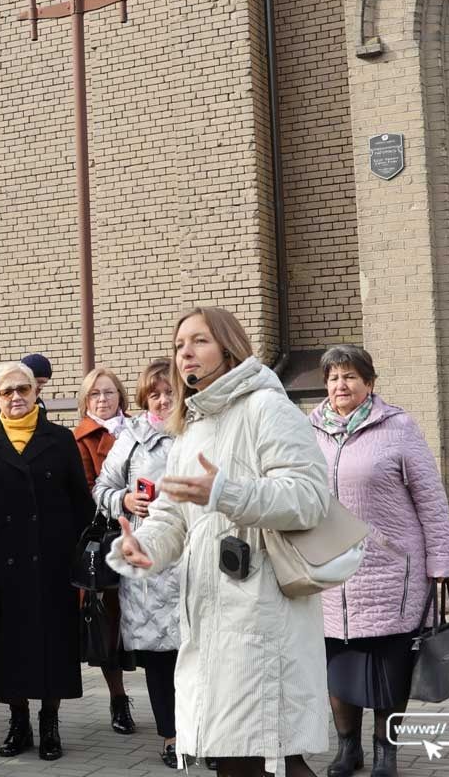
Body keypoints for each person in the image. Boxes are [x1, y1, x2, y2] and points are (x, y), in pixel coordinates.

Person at [109, 307, 331, 777]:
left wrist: (227, 492)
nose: (184, 352)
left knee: (263, 755)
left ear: (229, 347)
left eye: (198, 341)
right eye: (178, 345)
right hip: (207, 614)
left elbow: (310, 497)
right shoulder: (191, 426)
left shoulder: (267, 407)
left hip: (262, 610)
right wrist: (144, 547)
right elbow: (173, 515)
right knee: (242, 755)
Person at [311, 345, 449, 777]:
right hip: (330, 570)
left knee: (391, 665)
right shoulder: (309, 430)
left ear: (369, 384)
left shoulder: (398, 427)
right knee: (337, 661)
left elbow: (430, 499)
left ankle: (385, 754)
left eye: (351, 377)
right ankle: (347, 750)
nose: (341, 385)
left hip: (391, 569)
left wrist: (441, 562)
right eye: (334, 377)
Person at [0, 361, 93, 761]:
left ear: (36, 391)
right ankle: (17, 722)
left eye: (22, 389)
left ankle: (50, 724)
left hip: (52, 562)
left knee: (54, 646)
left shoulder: (59, 440)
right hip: (4, 566)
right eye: (6, 392)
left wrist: (76, 552)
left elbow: (80, 503)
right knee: (10, 648)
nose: (16, 397)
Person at [92, 359, 183, 767]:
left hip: (195, 558)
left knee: (199, 656)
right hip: (150, 566)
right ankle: (171, 736)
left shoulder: (199, 430)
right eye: (155, 395)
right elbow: (102, 487)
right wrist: (124, 501)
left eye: (170, 393)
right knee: (161, 658)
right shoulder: (131, 437)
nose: (163, 401)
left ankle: (205, 733)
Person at [72, 366, 135, 736]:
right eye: (95, 394)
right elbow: (87, 490)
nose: (103, 399)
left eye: (109, 392)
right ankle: (118, 699)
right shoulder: (79, 439)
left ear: (121, 397)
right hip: (108, 538)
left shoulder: (141, 430)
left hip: (149, 534)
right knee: (109, 624)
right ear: (85, 401)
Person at [0, 353, 51, 432]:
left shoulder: (38, 403)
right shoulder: (2, 403)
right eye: (38, 382)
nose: (40, 387)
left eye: (43, 384)